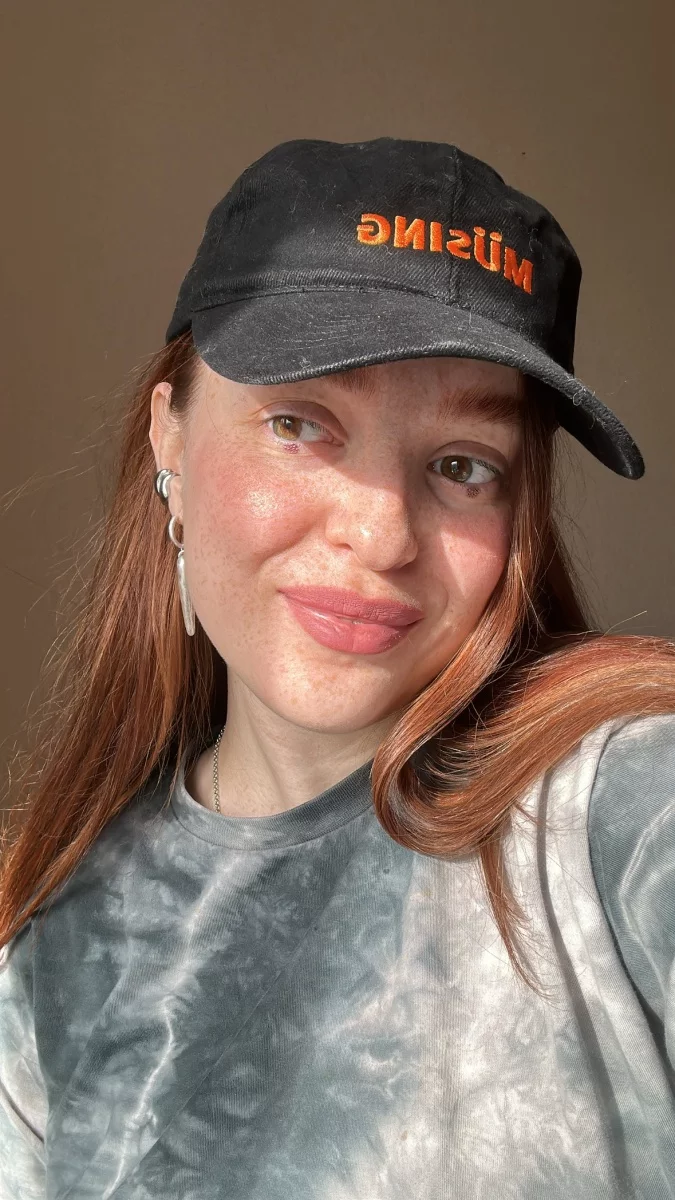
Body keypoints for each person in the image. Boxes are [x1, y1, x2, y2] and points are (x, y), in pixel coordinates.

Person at [0, 136, 674, 1200]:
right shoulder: (50, 956)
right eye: (300, 425)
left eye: (462, 465)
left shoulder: (621, 812)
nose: (382, 533)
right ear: (170, 437)